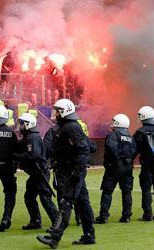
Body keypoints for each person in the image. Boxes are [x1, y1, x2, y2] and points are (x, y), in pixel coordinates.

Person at [37, 99, 95, 247]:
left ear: (63, 112)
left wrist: (77, 171)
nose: (54, 113)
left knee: (66, 203)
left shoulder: (70, 127)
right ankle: (89, 235)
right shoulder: (67, 127)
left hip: (71, 171)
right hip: (70, 170)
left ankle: (55, 238)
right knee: (83, 203)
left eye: (56, 110)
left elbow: (83, 149)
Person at [13, 113, 58, 231]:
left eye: (21, 124)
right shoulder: (30, 137)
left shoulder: (32, 138)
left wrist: (15, 156)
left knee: (45, 198)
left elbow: (33, 155)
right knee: (29, 197)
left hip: (39, 173)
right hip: (36, 174)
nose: (20, 126)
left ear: (28, 125)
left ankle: (57, 223)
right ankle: (35, 221)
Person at [95, 114, 135, 224]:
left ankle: (103, 216)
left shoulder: (113, 135)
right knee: (127, 192)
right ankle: (126, 216)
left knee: (107, 192)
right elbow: (134, 150)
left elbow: (111, 148)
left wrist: (115, 159)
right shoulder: (130, 137)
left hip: (115, 167)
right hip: (128, 166)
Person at [133, 106, 154, 221]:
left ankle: (147, 214)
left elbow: (134, 148)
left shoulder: (140, 132)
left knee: (146, 188)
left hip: (148, 163)